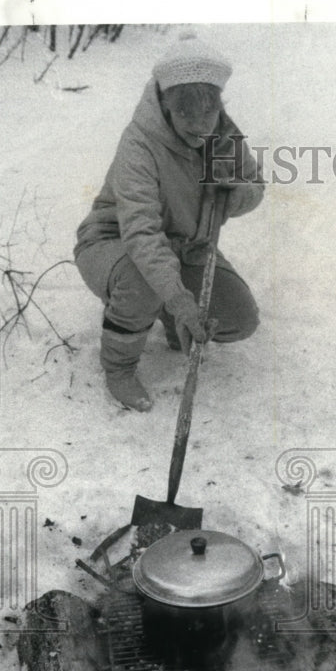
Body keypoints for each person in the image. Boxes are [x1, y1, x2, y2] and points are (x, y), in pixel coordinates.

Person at [74, 37, 264, 411]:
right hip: (114, 243)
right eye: (185, 114)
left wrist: (234, 190)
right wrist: (181, 301)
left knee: (239, 321)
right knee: (142, 278)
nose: (199, 126)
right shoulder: (139, 144)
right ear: (165, 105)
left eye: (207, 113)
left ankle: (161, 307)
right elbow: (142, 233)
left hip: (187, 247)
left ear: (218, 105)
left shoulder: (224, 136)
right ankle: (119, 367)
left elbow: (255, 187)